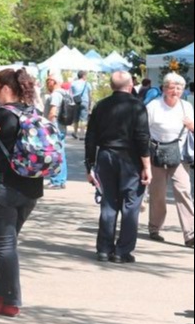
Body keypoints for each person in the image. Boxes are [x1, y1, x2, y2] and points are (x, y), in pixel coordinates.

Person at [0, 68, 42, 317]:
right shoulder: (33, 112)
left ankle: (10, 302)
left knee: (5, 246)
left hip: (3, 188)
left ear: (5, 88)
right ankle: (1, 290)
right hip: (32, 189)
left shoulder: (0, 113)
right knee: (9, 243)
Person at [85, 72, 152, 264]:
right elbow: (142, 137)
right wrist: (147, 165)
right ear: (131, 85)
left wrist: (89, 165)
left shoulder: (101, 106)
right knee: (131, 205)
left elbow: (90, 137)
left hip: (106, 155)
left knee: (108, 202)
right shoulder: (137, 106)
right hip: (130, 158)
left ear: (112, 85)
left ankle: (104, 249)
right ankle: (122, 251)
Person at [145, 73, 195, 247]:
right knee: (157, 193)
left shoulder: (186, 106)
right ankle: (154, 228)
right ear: (164, 89)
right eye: (172, 87)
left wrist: (191, 126)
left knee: (184, 191)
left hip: (179, 156)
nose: (175, 91)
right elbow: (143, 131)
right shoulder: (153, 106)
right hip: (156, 154)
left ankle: (190, 234)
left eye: (179, 88)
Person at [43, 71, 70, 190]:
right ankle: (60, 179)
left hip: (55, 128)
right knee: (60, 154)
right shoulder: (65, 93)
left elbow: (53, 112)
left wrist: (49, 127)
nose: (47, 83)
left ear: (54, 82)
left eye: (48, 80)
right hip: (62, 127)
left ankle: (57, 180)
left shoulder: (55, 95)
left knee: (56, 155)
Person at [70, 71, 93, 140]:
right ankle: (82, 134)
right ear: (83, 76)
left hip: (76, 102)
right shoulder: (87, 84)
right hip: (85, 102)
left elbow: (71, 94)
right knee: (84, 118)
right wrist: (90, 104)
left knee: (76, 118)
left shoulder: (73, 83)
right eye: (86, 75)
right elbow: (90, 95)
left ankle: (75, 132)